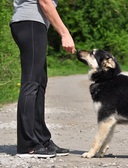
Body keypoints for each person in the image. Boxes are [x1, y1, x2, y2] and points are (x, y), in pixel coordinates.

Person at [10, 0, 76, 158]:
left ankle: (41, 139)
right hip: (30, 22)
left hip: (32, 24)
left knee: (39, 83)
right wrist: (65, 33)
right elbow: (45, 2)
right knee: (31, 83)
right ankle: (27, 145)